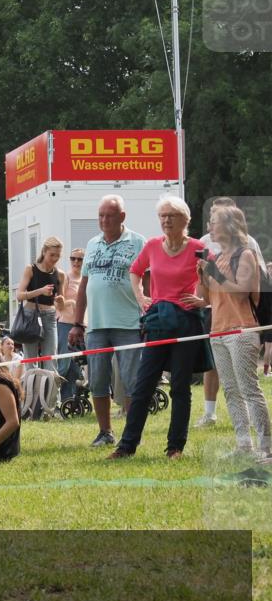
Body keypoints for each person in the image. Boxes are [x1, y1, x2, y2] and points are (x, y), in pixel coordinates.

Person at [108, 196, 213, 460]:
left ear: (185, 220)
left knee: (180, 386)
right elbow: (135, 271)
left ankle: (175, 447)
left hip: (186, 322)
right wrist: (140, 297)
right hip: (157, 322)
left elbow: (219, 279)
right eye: (162, 216)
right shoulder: (153, 246)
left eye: (171, 215)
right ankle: (126, 446)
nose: (166, 220)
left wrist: (205, 300)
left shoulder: (199, 248)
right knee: (143, 385)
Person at [68, 195, 148, 448]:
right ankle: (105, 432)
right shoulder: (92, 244)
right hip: (96, 326)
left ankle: (131, 435)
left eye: (109, 216)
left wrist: (148, 314)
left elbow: (149, 281)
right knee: (97, 380)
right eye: (100, 215)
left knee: (132, 381)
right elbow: (84, 286)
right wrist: (77, 323)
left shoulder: (138, 242)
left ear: (122, 216)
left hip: (129, 324)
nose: (104, 220)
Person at [197, 204, 271, 458]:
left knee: (249, 390)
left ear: (229, 226)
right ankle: (243, 446)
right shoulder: (217, 258)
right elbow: (207, 298)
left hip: (241, 330)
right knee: (230, 391)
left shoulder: (246, 254)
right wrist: (203, 276)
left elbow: (241, 292)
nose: (209, 226)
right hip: (218, 331)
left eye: (214, 221)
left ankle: (266, 448)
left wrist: (215, 274)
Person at [16, 236, 68, 376]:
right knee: (31, 361)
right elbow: (19, 295)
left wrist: (61, 300)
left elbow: (61, 306)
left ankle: (51, 391)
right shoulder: (31, 269)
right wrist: (40, 291)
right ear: (44, 252)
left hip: (50, 316)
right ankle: (32, 389)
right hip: (30, 315)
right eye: (52, 255)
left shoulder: (60, 275)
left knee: (51, 359)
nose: (55, 258)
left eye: (58, 256)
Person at [55, 248, 85, 401]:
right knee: (63, 366)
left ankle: (68, 400)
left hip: (81, 326)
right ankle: (51, 399)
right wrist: (72, 302)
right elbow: (57, 304)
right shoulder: (66, 278)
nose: (76, 262)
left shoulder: (86, 279)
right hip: (65, 325)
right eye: (73, 258)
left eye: (80, 259)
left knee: (75, 369)